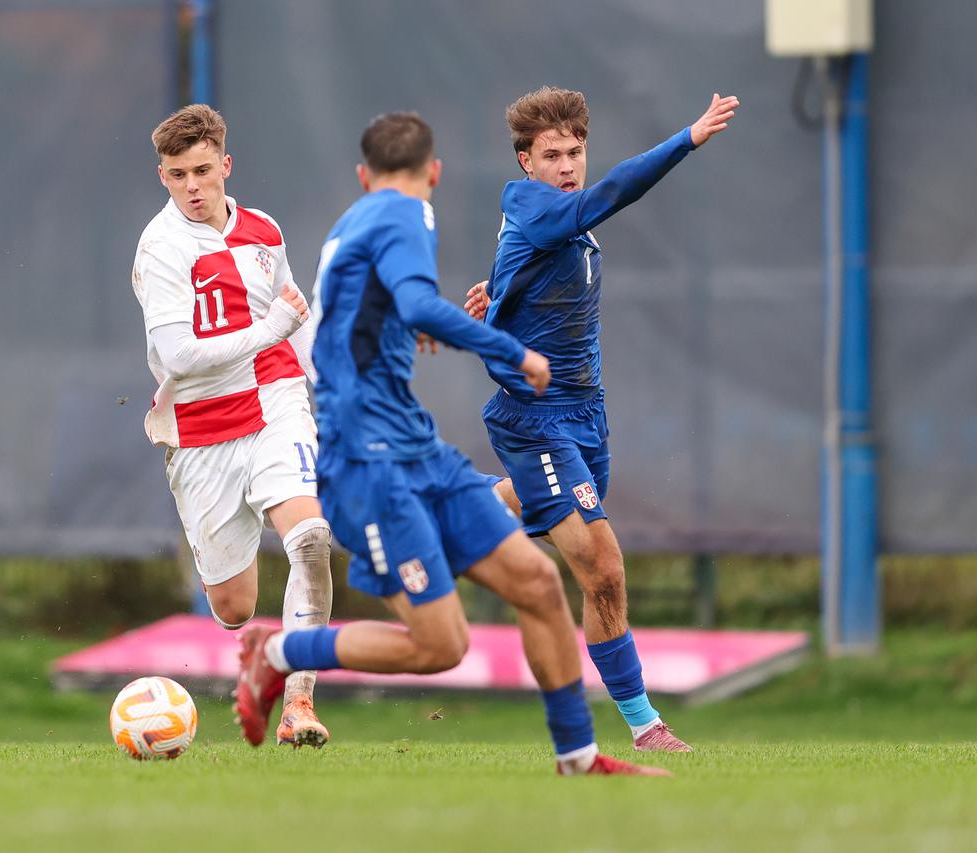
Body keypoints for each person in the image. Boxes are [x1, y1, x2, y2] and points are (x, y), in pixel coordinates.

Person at [233, 112, 668, 777]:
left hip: (416, 446)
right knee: (442, 646)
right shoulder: (409, 216)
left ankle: (579, 757)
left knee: (538, 582)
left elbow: (366, 315)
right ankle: (279, 654)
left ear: (362, 176)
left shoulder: (354, 223)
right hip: (367, 463)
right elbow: (411, 300)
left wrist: (424, 324)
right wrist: (507, 348)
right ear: (434, 173)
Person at [463, 86, 741, 752]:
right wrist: (687, 138)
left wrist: (495, 295)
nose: (567, 164)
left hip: (587, 413)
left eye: (577, 151)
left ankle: (447, 511)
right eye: (552, 154)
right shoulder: (531, 201)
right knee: (604, 568)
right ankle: (646, 726)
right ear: (525, 161)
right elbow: (612, 193)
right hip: (536, 418)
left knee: (576, 548)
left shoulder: (558, 217)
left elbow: (530, 270)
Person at [130, 104, 333, 748]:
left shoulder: (264, 231)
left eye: (202, 170)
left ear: (226, 165)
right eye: (176, 175)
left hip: (276, 399)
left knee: (308, 536)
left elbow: (296, 317)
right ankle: (254, 650)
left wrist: (330, 379)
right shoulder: (160, 247)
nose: (192, 186)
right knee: (234, 608)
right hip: (200, 425)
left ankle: (298, 703)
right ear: (162, 176)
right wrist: (271, 329)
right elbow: (180, 357)